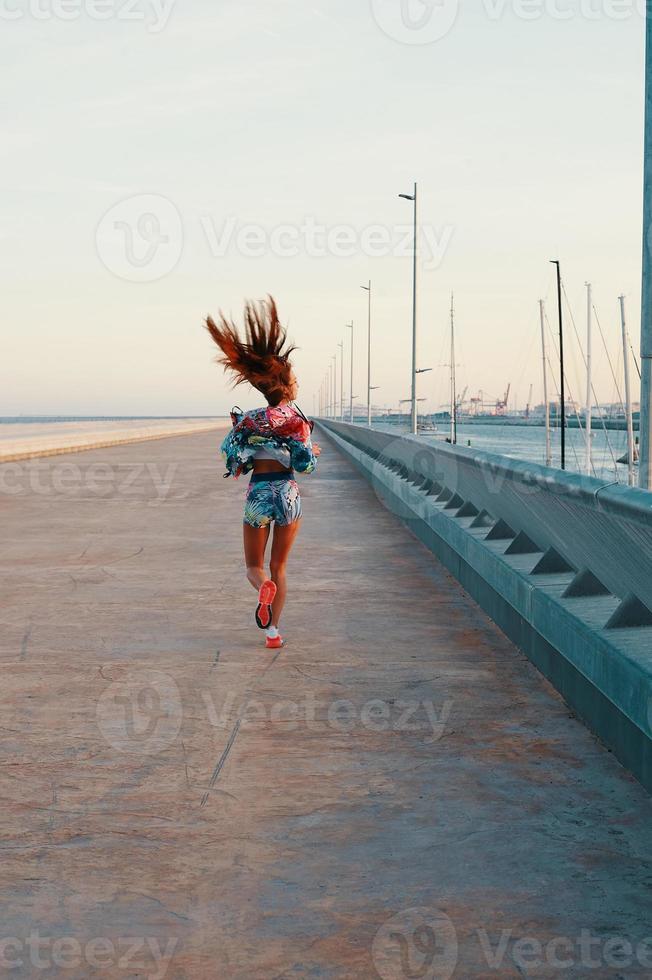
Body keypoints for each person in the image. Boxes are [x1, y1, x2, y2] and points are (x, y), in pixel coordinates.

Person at [205, 296, 320, 649]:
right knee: (280, 566)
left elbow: (232, 460)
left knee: (255, 567)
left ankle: (261, 588)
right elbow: (305, 465)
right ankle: (273, 634)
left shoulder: (248, 419)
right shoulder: (297, 421)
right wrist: (310, 450)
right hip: (288, 494)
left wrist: (250, 454)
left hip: (258, 493)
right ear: (285, 383)